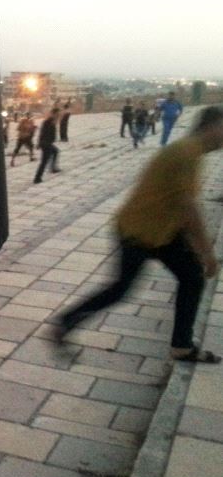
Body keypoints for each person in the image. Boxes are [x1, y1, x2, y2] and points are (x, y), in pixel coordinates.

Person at [57, 106, 223, 363]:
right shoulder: (187, 153)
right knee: (123, 289)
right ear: (212, 127)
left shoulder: (190, 151)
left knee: (190, 277)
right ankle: (66, 320)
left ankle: (182, 345)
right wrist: (208, 254)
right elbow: (188, 207)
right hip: (141, 231)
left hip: (158, 231)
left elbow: (179, 203)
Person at [33, 108, 61, 184]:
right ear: (53, 114)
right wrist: (39, 143)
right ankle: (37, 178)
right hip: (46, 144)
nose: (58, 116)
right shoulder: (49, 121)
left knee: (55, 151)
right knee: (44, 162)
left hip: (47, 143)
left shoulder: (51, 121)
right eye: (57, 114)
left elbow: (42, 133)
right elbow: (42, 133)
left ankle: (53, 168)